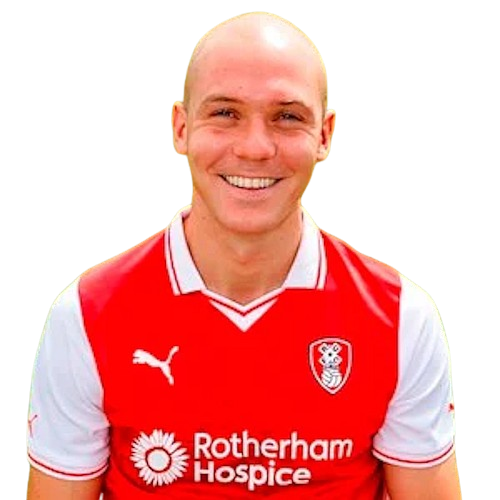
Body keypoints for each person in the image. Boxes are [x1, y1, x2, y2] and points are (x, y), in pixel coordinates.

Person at [26, 11, 461, 499]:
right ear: (180, 128)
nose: (255, 148)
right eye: (225, 113)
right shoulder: (86, 314)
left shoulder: (403, 318)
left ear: (325, 135)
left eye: (287, 117)